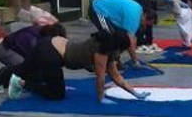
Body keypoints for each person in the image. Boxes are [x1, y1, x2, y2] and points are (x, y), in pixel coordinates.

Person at [11, 28, 149, 104]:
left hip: (52, 48)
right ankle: (21, 83)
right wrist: (101, 98)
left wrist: (135, 93)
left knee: (24, 68)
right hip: (51, 52)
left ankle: (2, 79)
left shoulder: (109, 49)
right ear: (119, 47)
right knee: (56, 94)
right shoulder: (101, 51)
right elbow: (100, 78)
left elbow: (116, 76)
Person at [0, 20, 64, 94]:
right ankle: (4, 74)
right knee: (24, 69)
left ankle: (7, 75)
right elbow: (31, 61)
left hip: (18, 50)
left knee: (37, 73)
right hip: (5, 50)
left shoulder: (42, 37)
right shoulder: (33, 39)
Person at [90, 0, 149, 66]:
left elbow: (132, 38)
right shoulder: (134, 16)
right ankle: (101, 60)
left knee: (119, 38)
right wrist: (136, 61)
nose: (144, 25)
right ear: (145, 15)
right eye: (146, 23)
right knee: (109, 37)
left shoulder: (138, 10)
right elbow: (129, 41)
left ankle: (114, 60)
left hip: (105, 9)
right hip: (97, 9)